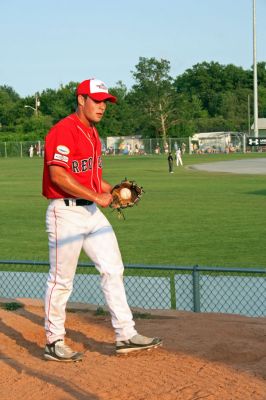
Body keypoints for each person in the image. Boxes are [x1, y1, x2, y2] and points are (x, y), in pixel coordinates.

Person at [42, 78, 162, 362]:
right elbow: (58, 176)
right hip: (66, 212)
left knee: (113, 268)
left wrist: (111, 190)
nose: (102, 106)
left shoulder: (92, 133)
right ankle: (53, 341)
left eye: (105, 101)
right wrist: (98, 197)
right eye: (96, 100)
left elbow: (90, 177)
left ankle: (125, 334)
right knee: (61, 280)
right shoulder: (63, 130)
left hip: (92, 214)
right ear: (81, 100)